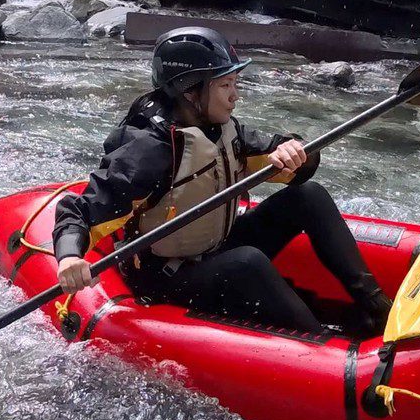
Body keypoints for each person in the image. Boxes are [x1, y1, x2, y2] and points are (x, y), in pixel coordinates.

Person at [52, 27, 391, 334]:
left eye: (235, 84)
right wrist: (69, 257)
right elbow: (78, 212)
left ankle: (378, 310)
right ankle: (324, 344)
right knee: (247, 261)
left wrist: (296, 150)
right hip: (166, 277)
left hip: (215, 247)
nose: (235, 96)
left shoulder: (224, 130)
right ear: (190, 92)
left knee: (308, 195)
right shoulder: (149, 151)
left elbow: (290, 157)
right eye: (225, 85)